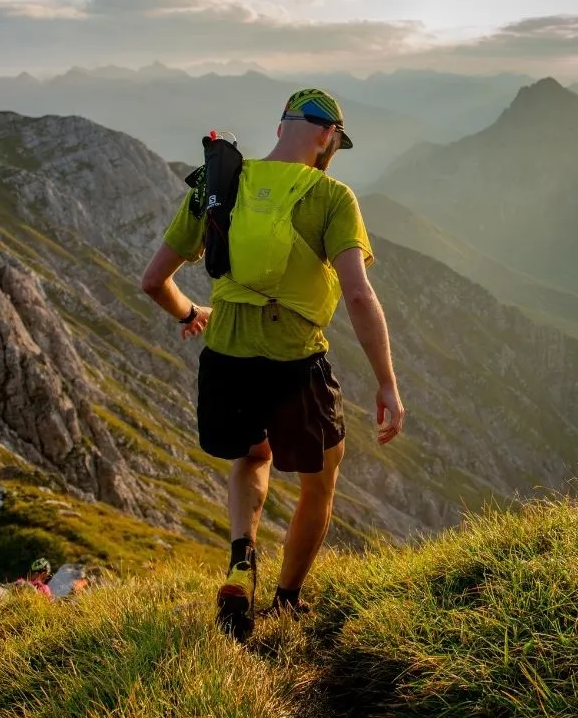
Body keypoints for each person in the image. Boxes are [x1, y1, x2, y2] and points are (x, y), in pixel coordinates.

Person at [140, 89, 405, 641]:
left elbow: (152, 280)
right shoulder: (331, 196)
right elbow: (357, 296)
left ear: (282, 126)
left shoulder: (218, 185)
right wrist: (386, 382)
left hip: (225, 357)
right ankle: (286, 601)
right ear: (329, 137)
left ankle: (242, 559)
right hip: (294, 361)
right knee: (320, 482)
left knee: (251, 455)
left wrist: (193, 311)